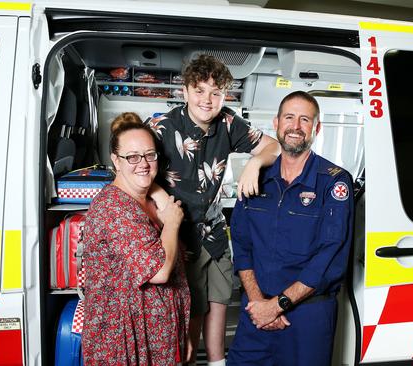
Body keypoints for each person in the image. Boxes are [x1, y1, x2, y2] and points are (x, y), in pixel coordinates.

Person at [145, 54, 280, 366]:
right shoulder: (160, 126)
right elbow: (134, 170)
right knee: (191, 307)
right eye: (200, 90)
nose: (207, 99)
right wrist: (161, 198)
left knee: (219, 301)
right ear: (186, 91)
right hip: (178, 236)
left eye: (216, 92)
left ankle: (218, 362)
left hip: (215, 233)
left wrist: (255, 163)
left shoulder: (230, 123)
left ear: (224, 96)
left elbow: (273, 147)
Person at [227, 91, 354, 365]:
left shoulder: (334, 182)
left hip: (307, 318)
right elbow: (241, 243)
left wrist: (276, 306)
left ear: (316, 128)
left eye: (305, 119)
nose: (295, 126)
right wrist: (260, 304)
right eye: (289, 117)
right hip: (256, 312)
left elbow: (329, 256)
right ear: (276, 123)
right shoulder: (256, 177)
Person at [81, 115, 190, 365]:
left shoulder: (149, 199)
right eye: (132, 156)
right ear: (116, 161)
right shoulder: (113, 207)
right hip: (125, 343)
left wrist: (180, 334)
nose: (143, 163)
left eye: (149, 155)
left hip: (161, 337)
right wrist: (172, 222)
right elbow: (160, 272)